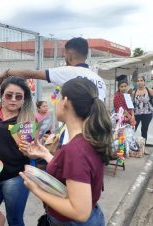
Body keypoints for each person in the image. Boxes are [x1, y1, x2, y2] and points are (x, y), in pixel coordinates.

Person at [19, 78, 112, 226]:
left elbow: (80, 212)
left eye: (60, 97)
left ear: (65, 101)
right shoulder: (87, 140)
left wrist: (36, 190)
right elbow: (74, 172)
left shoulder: (75, 149)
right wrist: (45, 154)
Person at [0, 76, 35, 226]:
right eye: (9, 95)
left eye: (19, 97)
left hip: (14, 177)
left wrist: (29, 150)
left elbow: (30, 153)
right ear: (2, 95)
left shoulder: (27, 121)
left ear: (24, 100)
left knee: (14, 219)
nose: (13, 100)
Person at [0, 37, 106, 101]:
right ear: (86, 55)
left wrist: (7, 73)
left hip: (77, 132)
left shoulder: (68, 72)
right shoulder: (99, 80)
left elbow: (32, 74)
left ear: (69, 55)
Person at [132, 75, 153, 147]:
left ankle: (143, 148)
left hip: (147, 113)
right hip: (136, 113)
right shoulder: (134, 92)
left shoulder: (149, 90)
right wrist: (132, 115)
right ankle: (131, 146)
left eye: (141, 81)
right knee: (132, 129)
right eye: (138, 81)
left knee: (144, 130)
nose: (139, 82)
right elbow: (132, 104)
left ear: (144, 82)